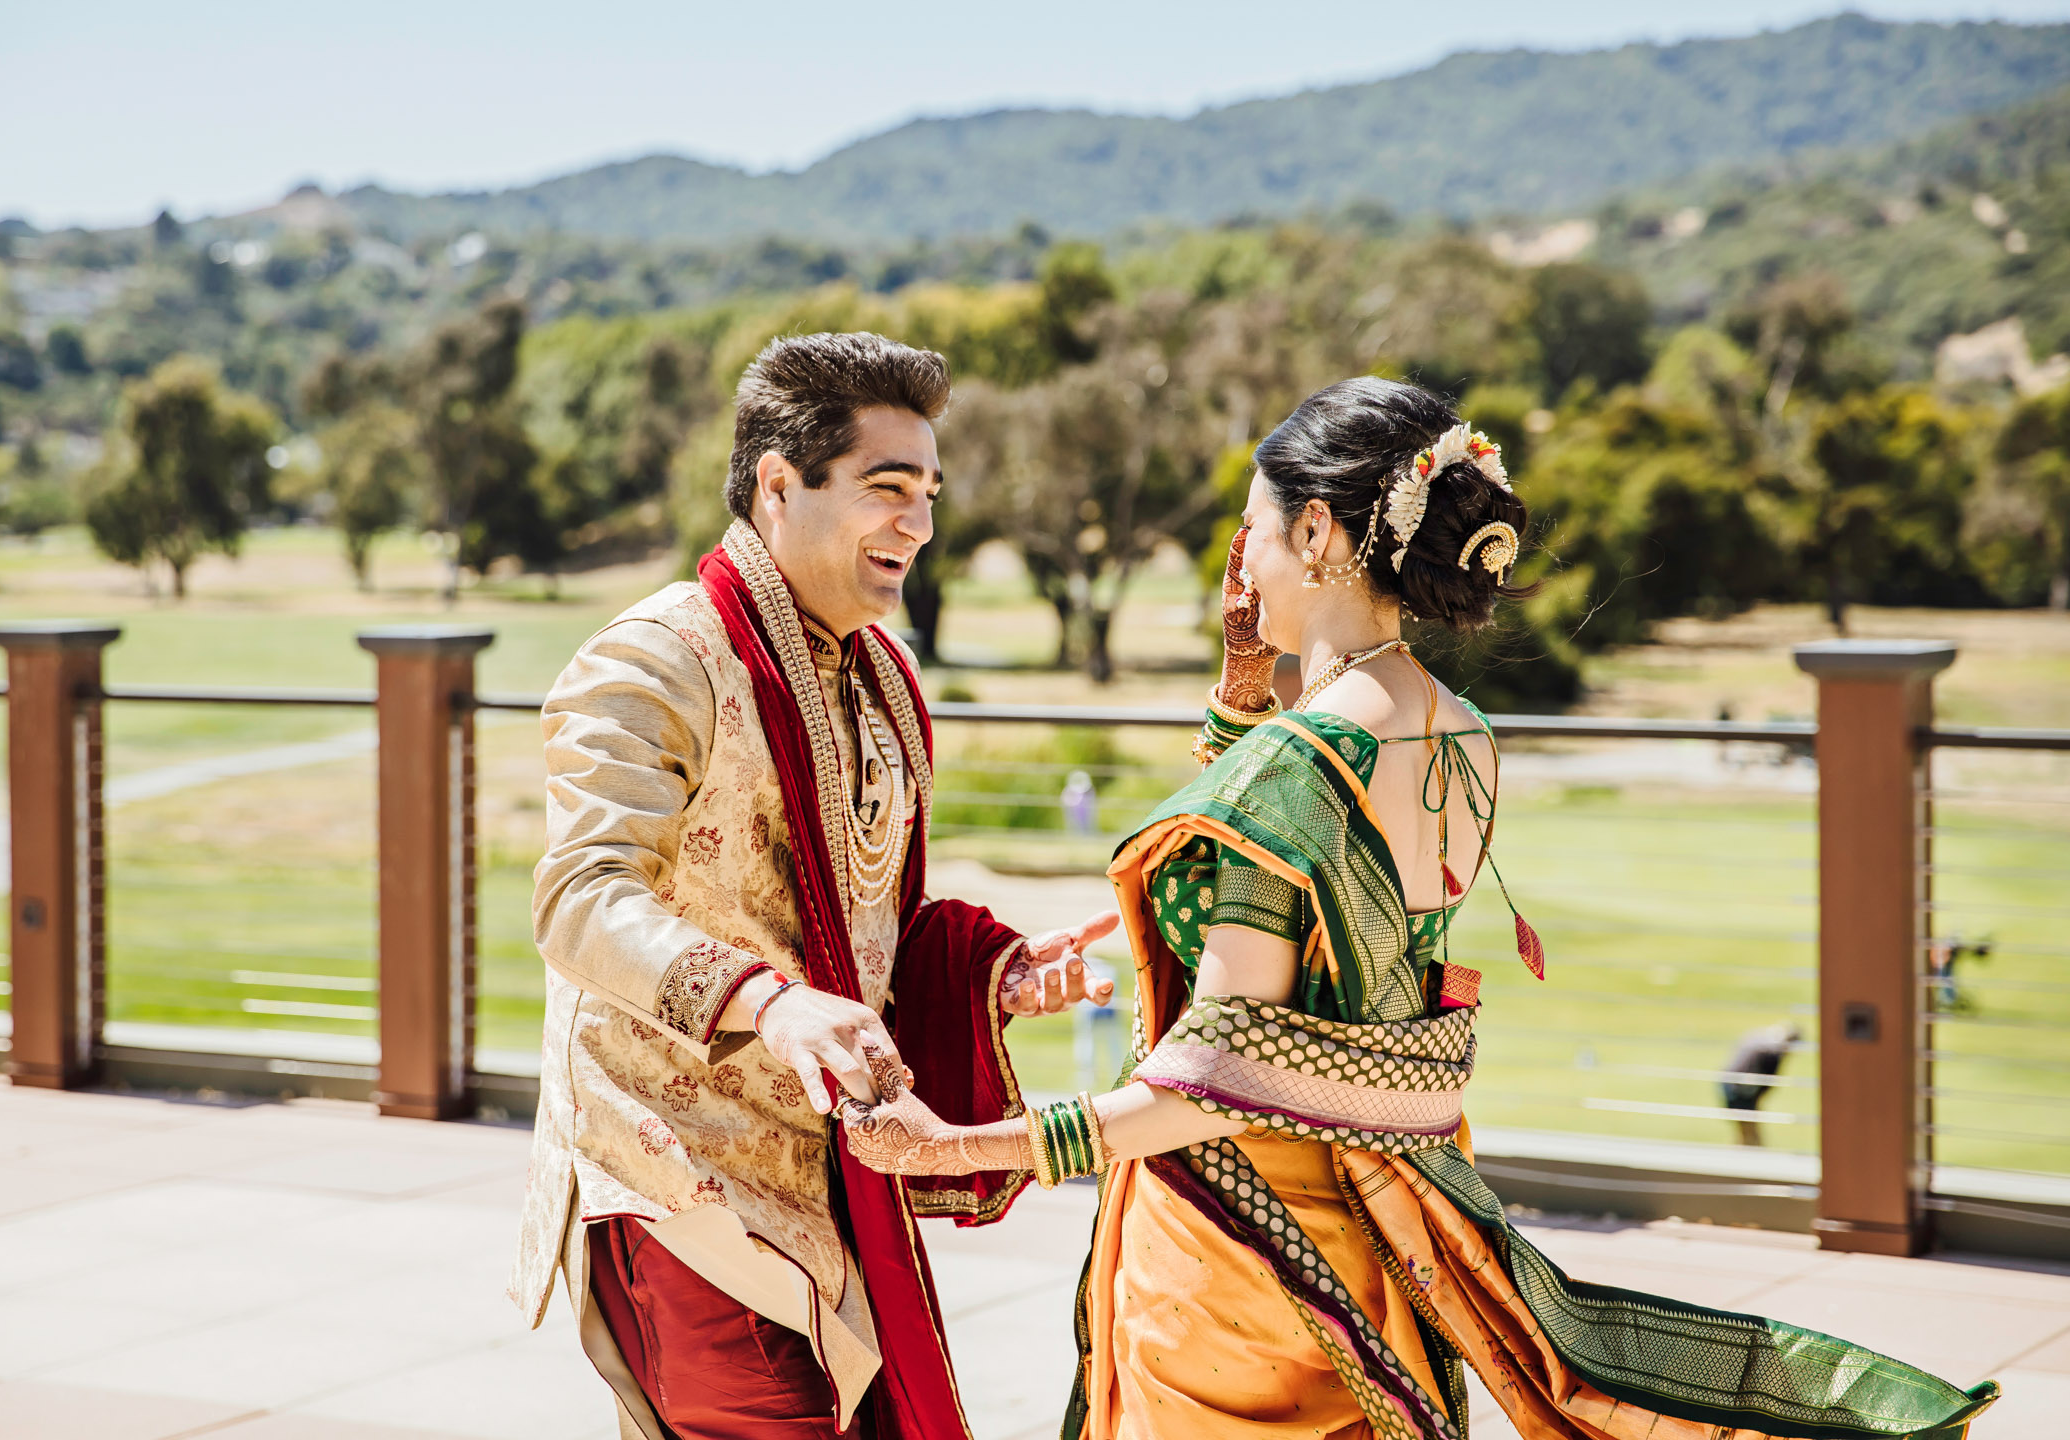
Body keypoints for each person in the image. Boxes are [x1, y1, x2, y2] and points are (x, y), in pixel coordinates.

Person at [840, 377, 1998, 1440]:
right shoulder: (1466, 738)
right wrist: (1249, 693)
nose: (1240, 556)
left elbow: (1221, 1069)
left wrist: (975, 1143)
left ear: (1317, 532)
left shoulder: (1299, 764)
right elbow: (1341, 960)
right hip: (1387, 1214)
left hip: (1239, 1247)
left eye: (1256, 524)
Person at [510, 331, 1118, 1440]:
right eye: (888, 490)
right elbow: (581, 900)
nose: (921, 525)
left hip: (835, 1179)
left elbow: (870, 926)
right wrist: (772, 1003)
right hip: (682, 1177)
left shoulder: (880, 677)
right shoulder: (654, 661)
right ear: (779, 485)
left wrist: (994, 973)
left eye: (928, 492)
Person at [1722, 1022, 1803, 1147]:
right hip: (1740, 1088)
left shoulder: (1761, 1038)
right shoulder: (1773, 1052)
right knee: (1750, 1131)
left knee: (1745, 1129)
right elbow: (1768, 1081)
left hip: (1730, 1082)